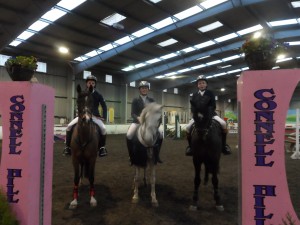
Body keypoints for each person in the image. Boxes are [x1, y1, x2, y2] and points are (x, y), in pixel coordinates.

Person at [185, 75, 231, 156]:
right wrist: (195, 113)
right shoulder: (195, 95)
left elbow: (213, 105)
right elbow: (193, 106)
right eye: (199, 83)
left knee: (223, 124)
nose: (201, 85)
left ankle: (224, 146)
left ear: (206, 84)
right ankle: (190, 147)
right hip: (198, 116)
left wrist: (207, 113)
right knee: (188, 127)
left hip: (211, 115)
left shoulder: (210, 93)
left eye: (203, 83)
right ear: (197, 85)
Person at [63, 75, 108, 157]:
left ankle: (102, 148)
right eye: (89, 83)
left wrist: (103, 116)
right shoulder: (82, 93)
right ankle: (67, 147)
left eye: (93, 83)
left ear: (95, 84)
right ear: (86, 84)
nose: (91, 84)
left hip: (94, 117)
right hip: (82, 115)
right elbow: (79, 104)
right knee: (69, 126)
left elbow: (104, 106)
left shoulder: (98, 95)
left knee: (103, 129)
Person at [126, 81, 163, 164]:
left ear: (148, 89)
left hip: (150, 123)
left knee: (161, 134)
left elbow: (155, 111)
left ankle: (157, 155)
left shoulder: (151, 100)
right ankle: (131, 155)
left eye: (146, 88)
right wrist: (138, 118)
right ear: (140, 90)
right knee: (129, 135)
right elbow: (132, 113)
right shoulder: (135, 100)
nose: (144, 89)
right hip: (137, 122)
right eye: (142, 88)